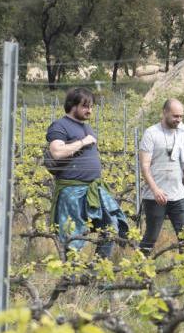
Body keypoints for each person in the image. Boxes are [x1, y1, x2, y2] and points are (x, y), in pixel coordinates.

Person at [46, 87, 128, 258]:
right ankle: (70, 276)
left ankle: (97, 270)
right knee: (73, 236)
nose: (89, 110)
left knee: (110, 226)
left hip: (93, 188)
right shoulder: (60, 126)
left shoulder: (87, 127)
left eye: (91, 106)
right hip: (72, 190)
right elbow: (57, 152)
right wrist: (83, 142)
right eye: (85, 106)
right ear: (72, 105)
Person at [138, 99, 184, 254]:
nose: (179, 120)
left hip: (179, 195)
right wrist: (156, 190)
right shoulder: (151, 133)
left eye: (181, 116)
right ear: (164, 112)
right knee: (151, 236)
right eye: (175, 116)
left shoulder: (183, 133)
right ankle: (137, 271)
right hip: (154, 197)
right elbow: (144, 166)